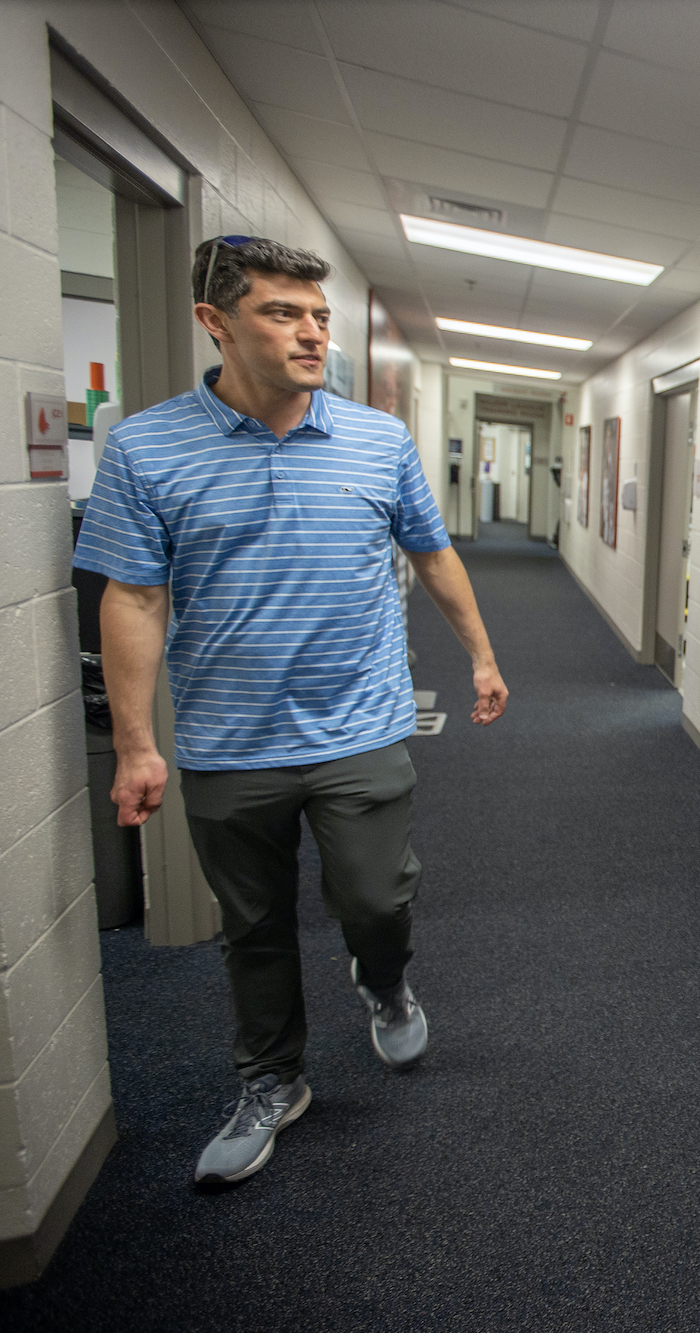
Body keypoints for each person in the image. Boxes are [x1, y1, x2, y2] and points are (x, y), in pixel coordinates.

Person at [74, 235, 508, 1186]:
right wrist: (138, 745)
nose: (312, 331)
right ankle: (272, 1079)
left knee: (376, 895)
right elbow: (134, 598)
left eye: (318, 314)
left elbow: (433, 554)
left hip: (361, 723)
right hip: (229, 743)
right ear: (215, 323)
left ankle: (382, 977)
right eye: (283, 312)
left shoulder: (376, 440)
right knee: (253, 924)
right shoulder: (146, 449)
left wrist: (479, 653)